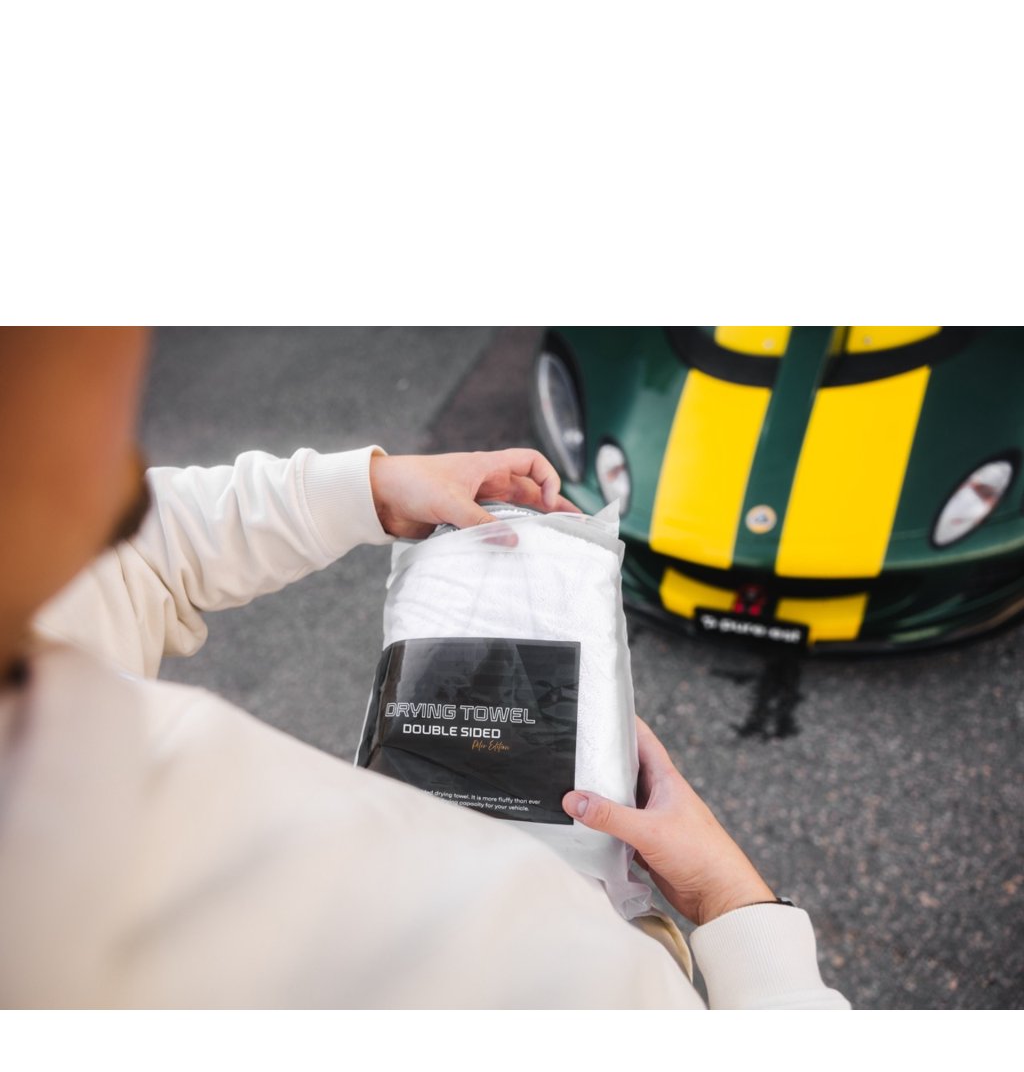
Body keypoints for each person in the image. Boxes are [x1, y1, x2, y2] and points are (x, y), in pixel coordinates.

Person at [0, 328, 848, 1009]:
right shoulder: (515, 952)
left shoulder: (45, 585)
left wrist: (371, 487)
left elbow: (135, 545)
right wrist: (736, 909)